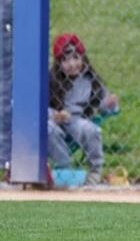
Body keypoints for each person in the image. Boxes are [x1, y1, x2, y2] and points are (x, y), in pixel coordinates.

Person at [48, 33, 119, 181]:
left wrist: (109, 104)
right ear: (58, 63)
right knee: (49, 129)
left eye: (76, 58)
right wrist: (54, 115)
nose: (72, 64)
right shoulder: (51, 80)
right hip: (54, 121)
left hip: (76, 120)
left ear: (83, 57)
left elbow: (101, 104)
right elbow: (40, 107)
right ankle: (63, 167)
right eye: (66, 60)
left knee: (91, 130)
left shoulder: (90, 79)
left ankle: (95, 171)